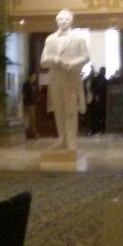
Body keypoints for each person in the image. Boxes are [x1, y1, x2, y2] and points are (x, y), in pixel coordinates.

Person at [39, 9, 91, 150]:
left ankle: (71, 140)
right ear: (57, 22)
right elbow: (43, 61)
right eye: (61, 19)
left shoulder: (78, 39)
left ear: (71, 22)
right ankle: (62, 138)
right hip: (56, 79)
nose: (63, 22)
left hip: (71, 78)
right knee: (59, 109)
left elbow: (86, 57)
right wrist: (53, 59)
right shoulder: (50, 39)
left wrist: (74, 63)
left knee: (71, 110)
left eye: (66, 19)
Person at [87, 66, 108, 135]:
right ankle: (101, 129)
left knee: (94, 115)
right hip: (102, 101)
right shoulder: (105, 81)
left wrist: (95, 95)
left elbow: (91, 88)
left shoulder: (95, 80)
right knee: (101, 115)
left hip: (95, 100)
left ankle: (94, 129)